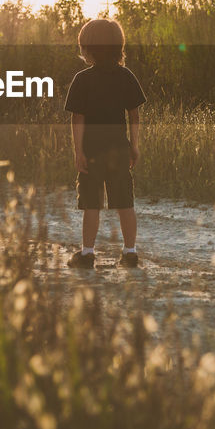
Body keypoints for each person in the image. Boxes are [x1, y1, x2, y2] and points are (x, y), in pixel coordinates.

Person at [63, 18, 146, 268]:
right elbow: (134, 114)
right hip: (119, 149)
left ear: (88, 48)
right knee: (125, 202)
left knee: (91, 203)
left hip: (92, 152)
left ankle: (87, 254)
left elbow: (78, 119)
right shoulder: (126, 76)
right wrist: (134, 146)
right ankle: (130, 252)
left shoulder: (82, 79)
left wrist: (78, 152)